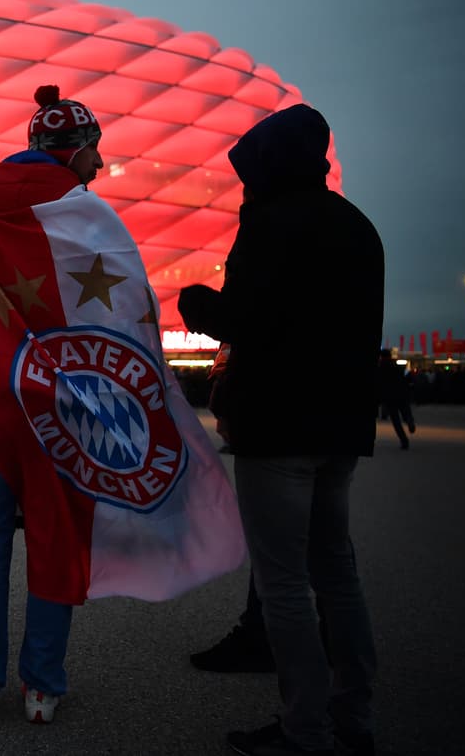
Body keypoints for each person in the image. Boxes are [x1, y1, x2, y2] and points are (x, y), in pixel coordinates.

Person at [0, 85, 243, 725]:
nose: (100, 168)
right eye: (96, 153)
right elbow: (127, 307)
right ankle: (43, 686)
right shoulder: (81, 209)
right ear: (75, 150)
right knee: (55, 535)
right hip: (62, 411)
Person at [178, 104, 382, 756]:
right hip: (341, 426)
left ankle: (305, 729)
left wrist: (195, 303)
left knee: (283, 581)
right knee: (337, 570)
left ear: (267, 164)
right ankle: (353, 716)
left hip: (278, 425)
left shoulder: (270, 224)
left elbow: (247, 318)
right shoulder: (357, 227)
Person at [376, 348, 414, 450]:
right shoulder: (398, 365)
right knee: (405, 411)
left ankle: (404, 440)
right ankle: (409, 421)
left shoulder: (380, 368)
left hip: (390, 397)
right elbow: (407, 378)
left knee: (396, 420)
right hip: (402, 394)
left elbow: (379, 384)